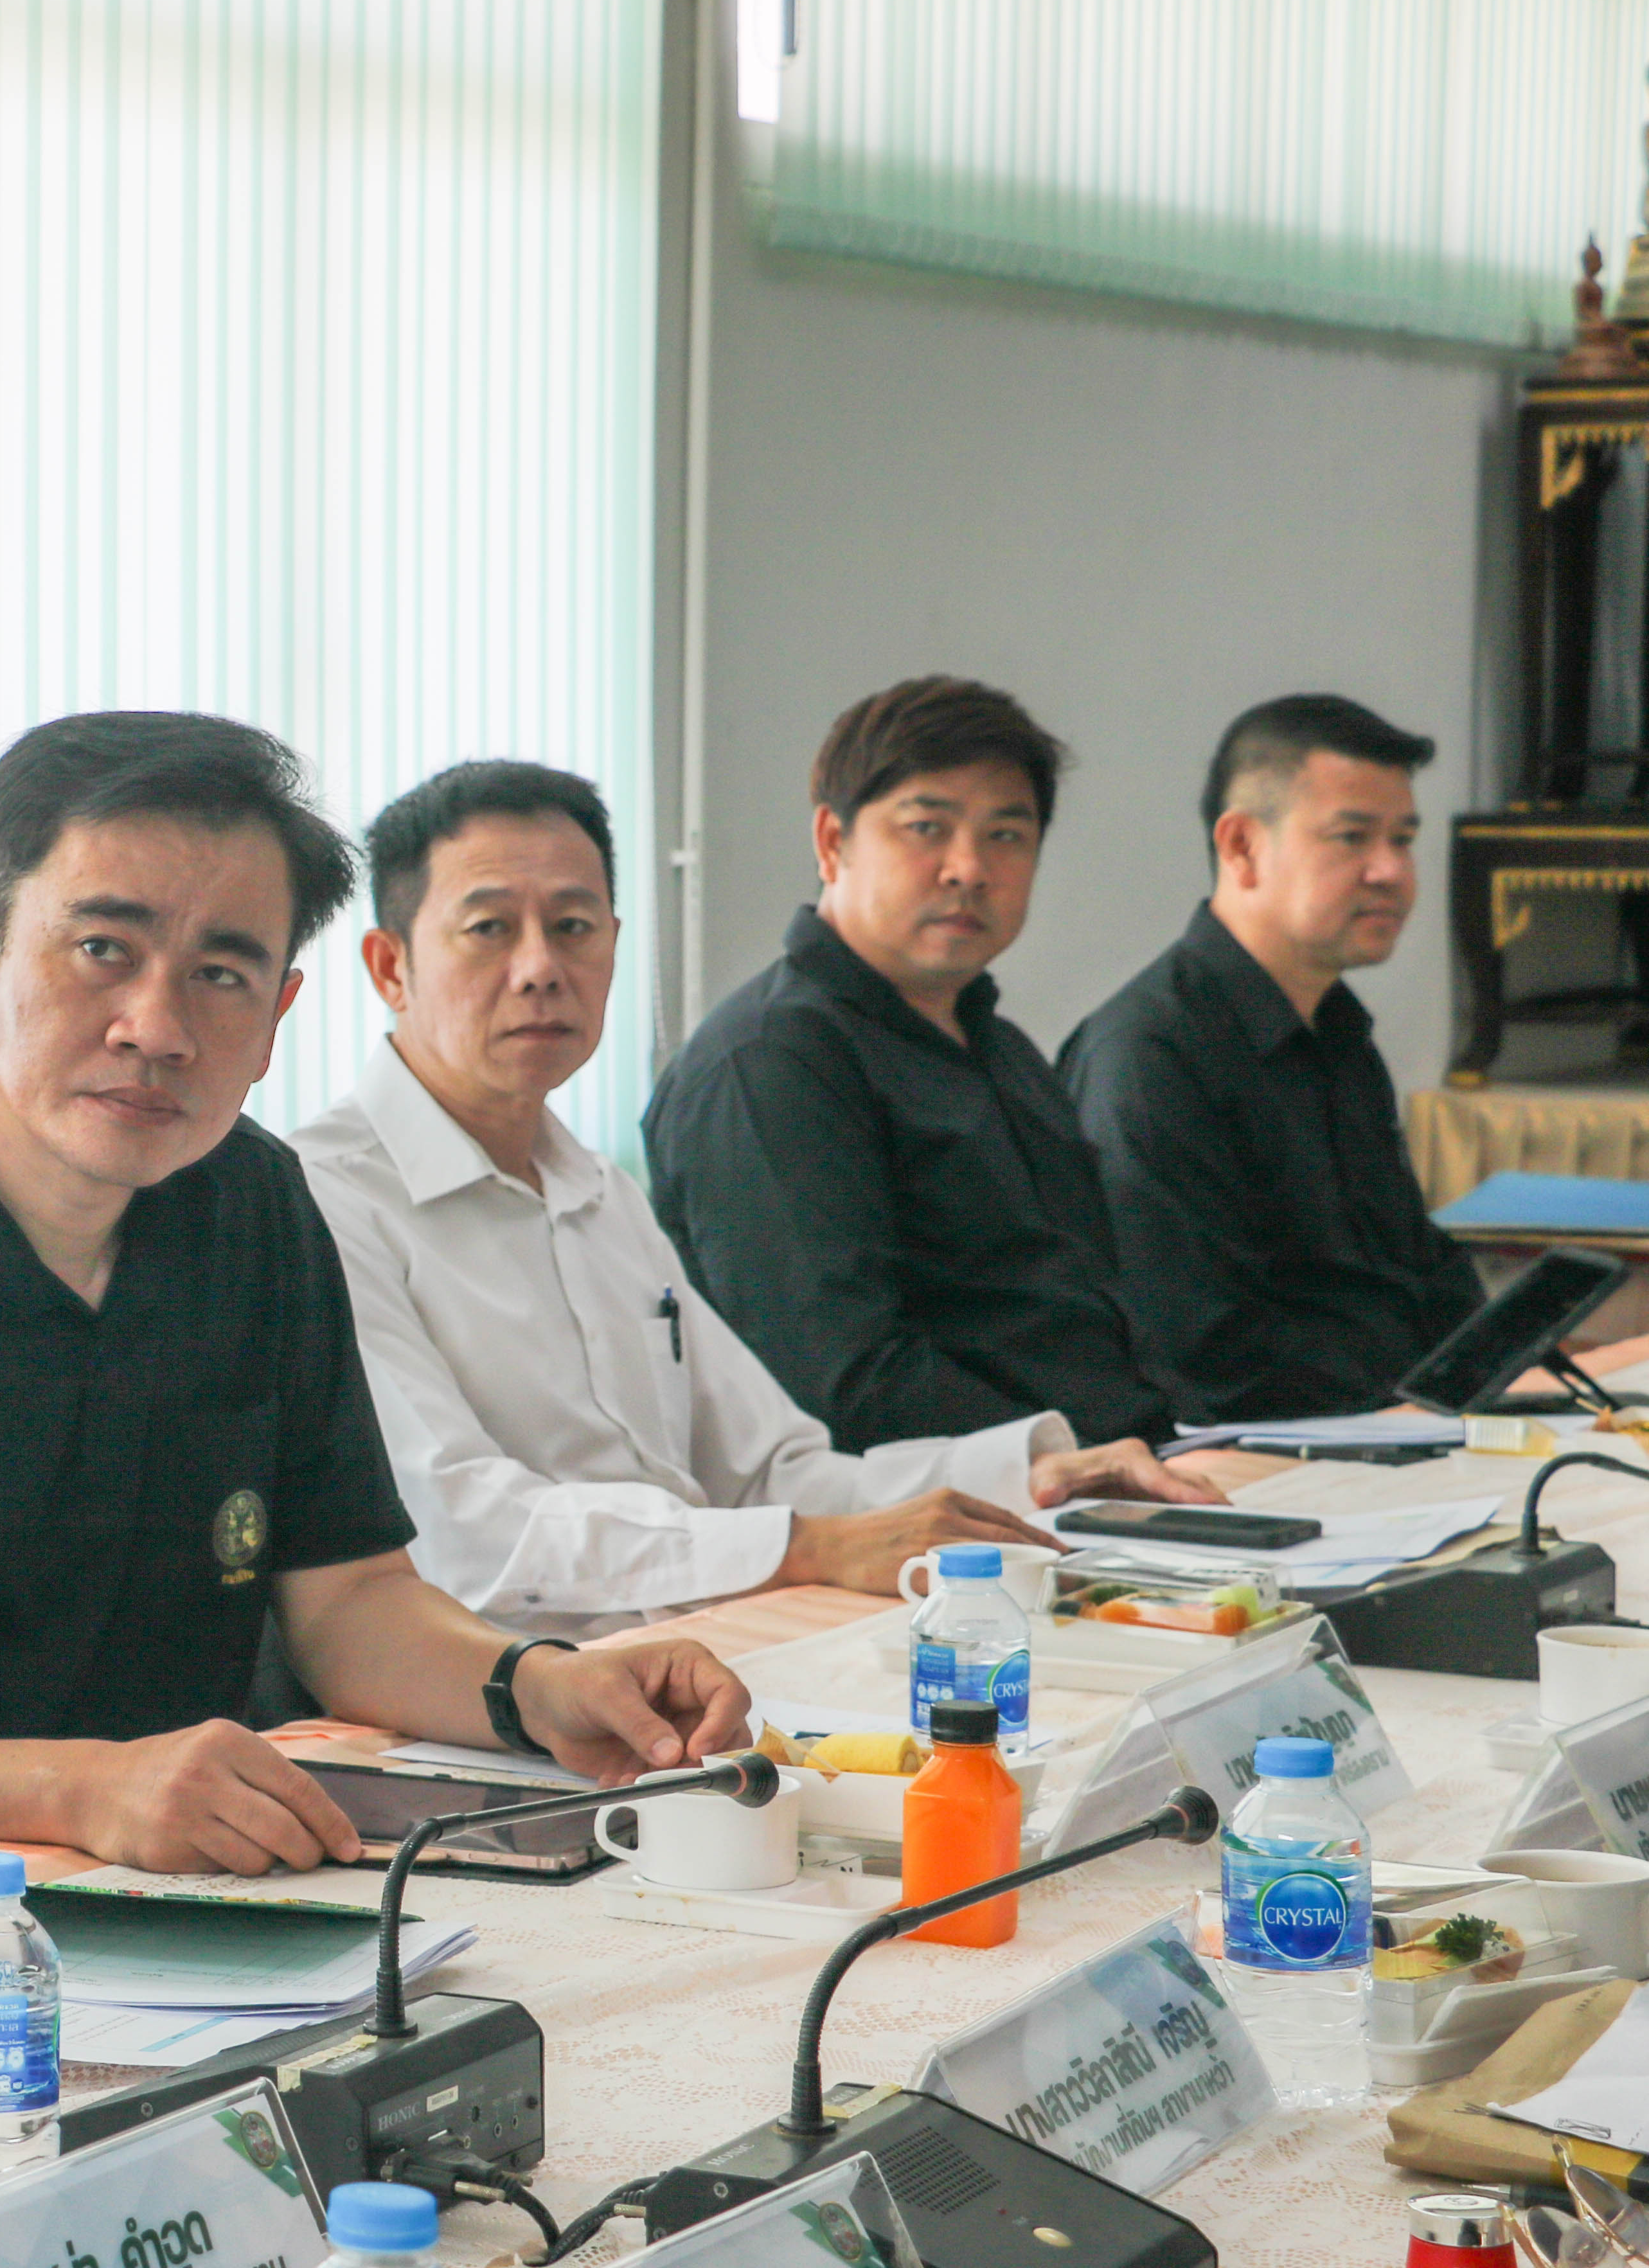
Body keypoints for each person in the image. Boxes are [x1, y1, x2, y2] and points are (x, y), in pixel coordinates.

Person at [0, 713, 753, 1878]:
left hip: (200, 1893)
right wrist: (88, 1791)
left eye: (220, 974)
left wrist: (539, 1684)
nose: (156, 1029)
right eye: (104, 949)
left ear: (274, 1022)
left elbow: (351, 1601)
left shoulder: (258, 1207)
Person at [290, 762, 1221, 1639]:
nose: (540, 967)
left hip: (712, 1655)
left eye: (574, 926)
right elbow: (462, 1529)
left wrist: (1031, 1477)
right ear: (390, 967)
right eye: (489, 929)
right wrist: (804, 1548)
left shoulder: (599, 1194)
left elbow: (772, 1471)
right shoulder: (321, 1203)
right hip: (499, 1705)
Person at [643, 677, 1175, 1452]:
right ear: (832, 842)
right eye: (927, 827)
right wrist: (1074, 1459)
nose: (969, 868)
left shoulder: (1005, 1051)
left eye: (1006, 834)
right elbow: (845, 1384)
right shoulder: (769, 1062)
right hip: (959, 1507)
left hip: (1117, 1468)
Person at [1058, 696, 1484, 1424]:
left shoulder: (1338, 1032)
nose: (1391, 870)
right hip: (1262, 1455)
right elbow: (1199, 1354)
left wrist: (1496, 1373)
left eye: (1403, 839)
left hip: (1395, 1426)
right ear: (1242, 848)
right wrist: (1420, 1405)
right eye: (1352, 837)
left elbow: (1417, 1277)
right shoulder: (1146, 1056)